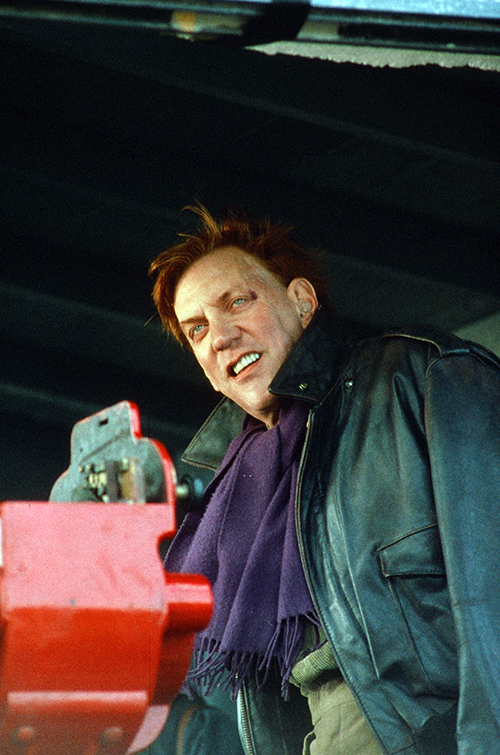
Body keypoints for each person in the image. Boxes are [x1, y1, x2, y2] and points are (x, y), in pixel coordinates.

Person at [149, 204, 500, 755]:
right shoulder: (232, 485)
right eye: (197, 330)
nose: (220, 337)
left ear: (302, 301)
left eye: (237, 302)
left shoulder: (421, 375)